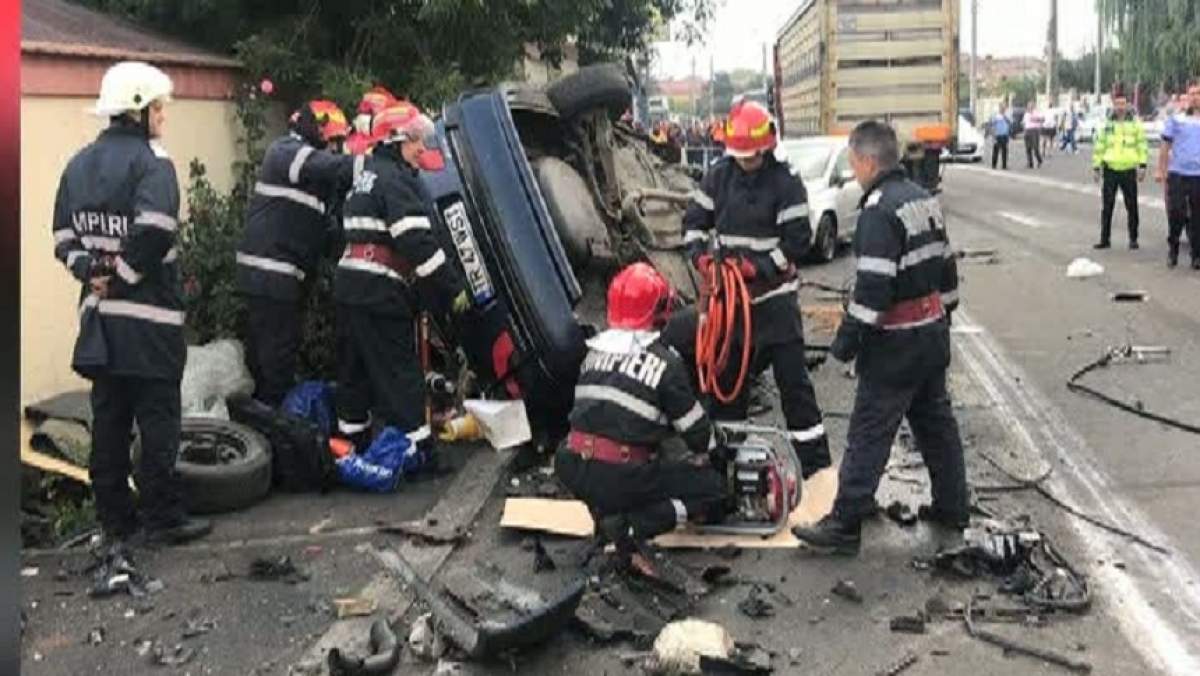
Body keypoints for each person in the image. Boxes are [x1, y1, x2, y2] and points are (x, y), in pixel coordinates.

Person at [52, 61, 210, 547]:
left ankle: (116, 520)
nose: (164, 116)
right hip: (150, 323)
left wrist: (92, 272)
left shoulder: (77, 165)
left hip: (101, 327)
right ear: (139, 110)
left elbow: (62, 237)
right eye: (159, 107)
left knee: (110, 423)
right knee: (159, 420)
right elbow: (157, 229)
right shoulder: (152, 163)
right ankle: (163, 518)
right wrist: (120, 277)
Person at [791, 121, 966, 555]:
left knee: (869, 431)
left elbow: (873, 292)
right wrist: (946, 312)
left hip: (896, 345)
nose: (854, 169)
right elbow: (946, 267)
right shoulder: (923, 200)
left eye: (854, 161)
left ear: (868, 161)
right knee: (935, 425)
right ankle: (952, 506)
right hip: (930, 334)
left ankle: (845, 522)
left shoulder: (878, 212)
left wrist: (845, 345)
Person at [666, 99, 832, 480]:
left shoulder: (786, 182)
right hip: (730, 311)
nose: (747, 161)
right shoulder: (717, 177)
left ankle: (818, 472)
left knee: (795, 391)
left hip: (774, 306)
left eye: (753, 156)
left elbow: (797, 242)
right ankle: (727, 474)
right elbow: (693, 225)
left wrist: (753, 269)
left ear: (767, 146)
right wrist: (701, 259)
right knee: (727, 390)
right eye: (740, 155)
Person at [555, 263, 727, 576]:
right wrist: (718, 453)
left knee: (628, 468)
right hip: (621, 474)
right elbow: (698, 435)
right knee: (712, 489)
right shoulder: (666, 363)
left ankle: (606, 513)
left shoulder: (593, 353)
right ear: (660, 311)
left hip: (572, 464)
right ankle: (630, 527)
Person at [333, 101, 471, 455]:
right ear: (395, 141)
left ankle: (351, 445)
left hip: (349, 287)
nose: (421, 149)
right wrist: (452, 288)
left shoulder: (365, 178)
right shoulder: (396, 180)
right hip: (379, 290)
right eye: (415, 141)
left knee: (355, 372)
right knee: (400, 373)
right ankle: (417, 453)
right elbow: (416, 241)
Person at [236, 100, 355, 406]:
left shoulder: (312, 178)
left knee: (271, 362)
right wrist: (372, 162)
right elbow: (334, 167)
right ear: (315, 131)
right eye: (333, 140)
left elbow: (328, 230)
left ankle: (266, 425)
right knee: (276, 366)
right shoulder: (286, 151)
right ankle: (275, 435)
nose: (335, 148)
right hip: (269, 276)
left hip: (279, 279)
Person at [1092, 93, 1148, 250]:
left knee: (1132, 207)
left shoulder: (1135, 124)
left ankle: (1133, 238)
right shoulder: (1107, 124)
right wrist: (1096, 167)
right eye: (1117, 104)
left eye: (1123, 104)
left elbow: (1142, 145)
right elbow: (1099, 147)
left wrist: (1142, 165)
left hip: (1129, 169)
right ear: (1113, 105)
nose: (1120, 107)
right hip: (1110, 169)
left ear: (1128, 105)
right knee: (1107, 206)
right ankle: (1105, 239)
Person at [1157, 82, 1200, 268]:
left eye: (1199, 93)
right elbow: (1165, 147)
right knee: (1176, 213)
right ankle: (1173, 248)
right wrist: (1161, 169)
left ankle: (1196, 255)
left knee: (1197, 216)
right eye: (1192, 93)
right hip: (1178, 173)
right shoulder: (1177, 119)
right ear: (1187, 97)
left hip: (1198, 175)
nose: (1195, 97)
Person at [989, 105, 1012, 170]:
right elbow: (992, 126)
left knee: (1004, 150)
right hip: (997, 135)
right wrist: (993, 135)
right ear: (999, 109)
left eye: (1003, 109)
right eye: (1001, 109)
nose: (1002, 110)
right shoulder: (995, 116)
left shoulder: (1006, 116)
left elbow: (1010, 123)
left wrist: (1005, 117)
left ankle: (1004, 165)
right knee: (996, 150)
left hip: (1005, 135)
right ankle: (994, 165)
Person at [1023, 103, 1044, 168]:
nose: (1029, 108)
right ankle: (1030, 163)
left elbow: (1042, 119)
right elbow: (1025, 122)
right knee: (1028, 148)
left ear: (1033, 107)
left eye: (1031, 106)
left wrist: (1035, 119)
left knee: (1035, 148)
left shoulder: (1037, 112)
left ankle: (1039, 160)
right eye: (1028, 106)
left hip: (1034, 131)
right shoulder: (1026, 114)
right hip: (1027, 131)